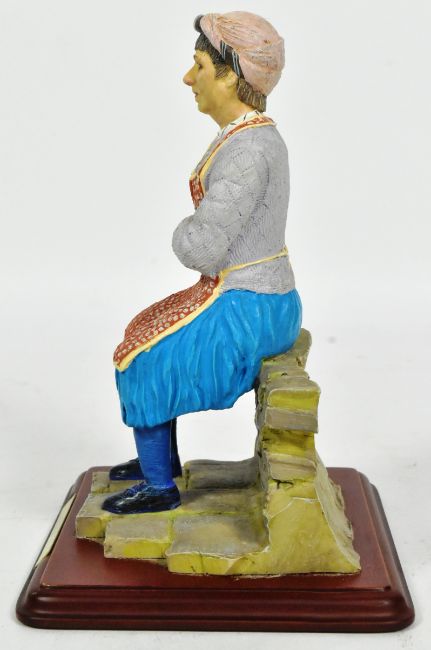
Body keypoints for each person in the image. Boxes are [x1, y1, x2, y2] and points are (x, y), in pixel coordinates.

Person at [102, 11, 302, 515]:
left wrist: (181, 232)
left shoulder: (249, 151)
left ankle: (160, 488)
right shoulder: (244, 136)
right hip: (243, 293)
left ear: (230, 76)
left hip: (252, 305)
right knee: (141, 327)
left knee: (142, 356)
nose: (188, 78)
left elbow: (201, 248)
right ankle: (159, 459)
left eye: (199, 66)